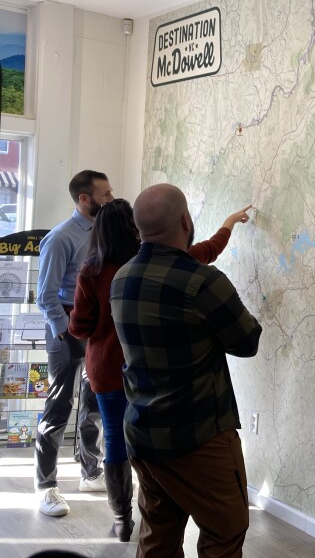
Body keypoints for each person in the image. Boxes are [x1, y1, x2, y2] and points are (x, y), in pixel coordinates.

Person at [68, 199, 252, 542]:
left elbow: (80, 327)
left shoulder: (97, 272)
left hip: (109, 374)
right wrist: (228, 223)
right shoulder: (172, 269)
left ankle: (122, 517)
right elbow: (208, 250)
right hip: (159, 384)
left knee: (116, 438)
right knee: (221, 529)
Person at [110, 184, 262, 557]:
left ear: (139, 228)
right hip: (197, 437)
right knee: (225, 531)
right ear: (185, 221)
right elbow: (247, 342)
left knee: (157, 534)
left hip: (143, 434)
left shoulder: (122, 278)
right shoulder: (203, 282)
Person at [34, 170, 114, 517]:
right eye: (105, 194)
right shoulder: (60, 238)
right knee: (59, 404)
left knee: (94, 399)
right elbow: (45, 295)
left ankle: (90, 471)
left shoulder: (105, 233)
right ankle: (46, 487)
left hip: (94, 323)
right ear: (85, 198)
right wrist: (65, 330)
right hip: (66, 326)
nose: (111, 199)